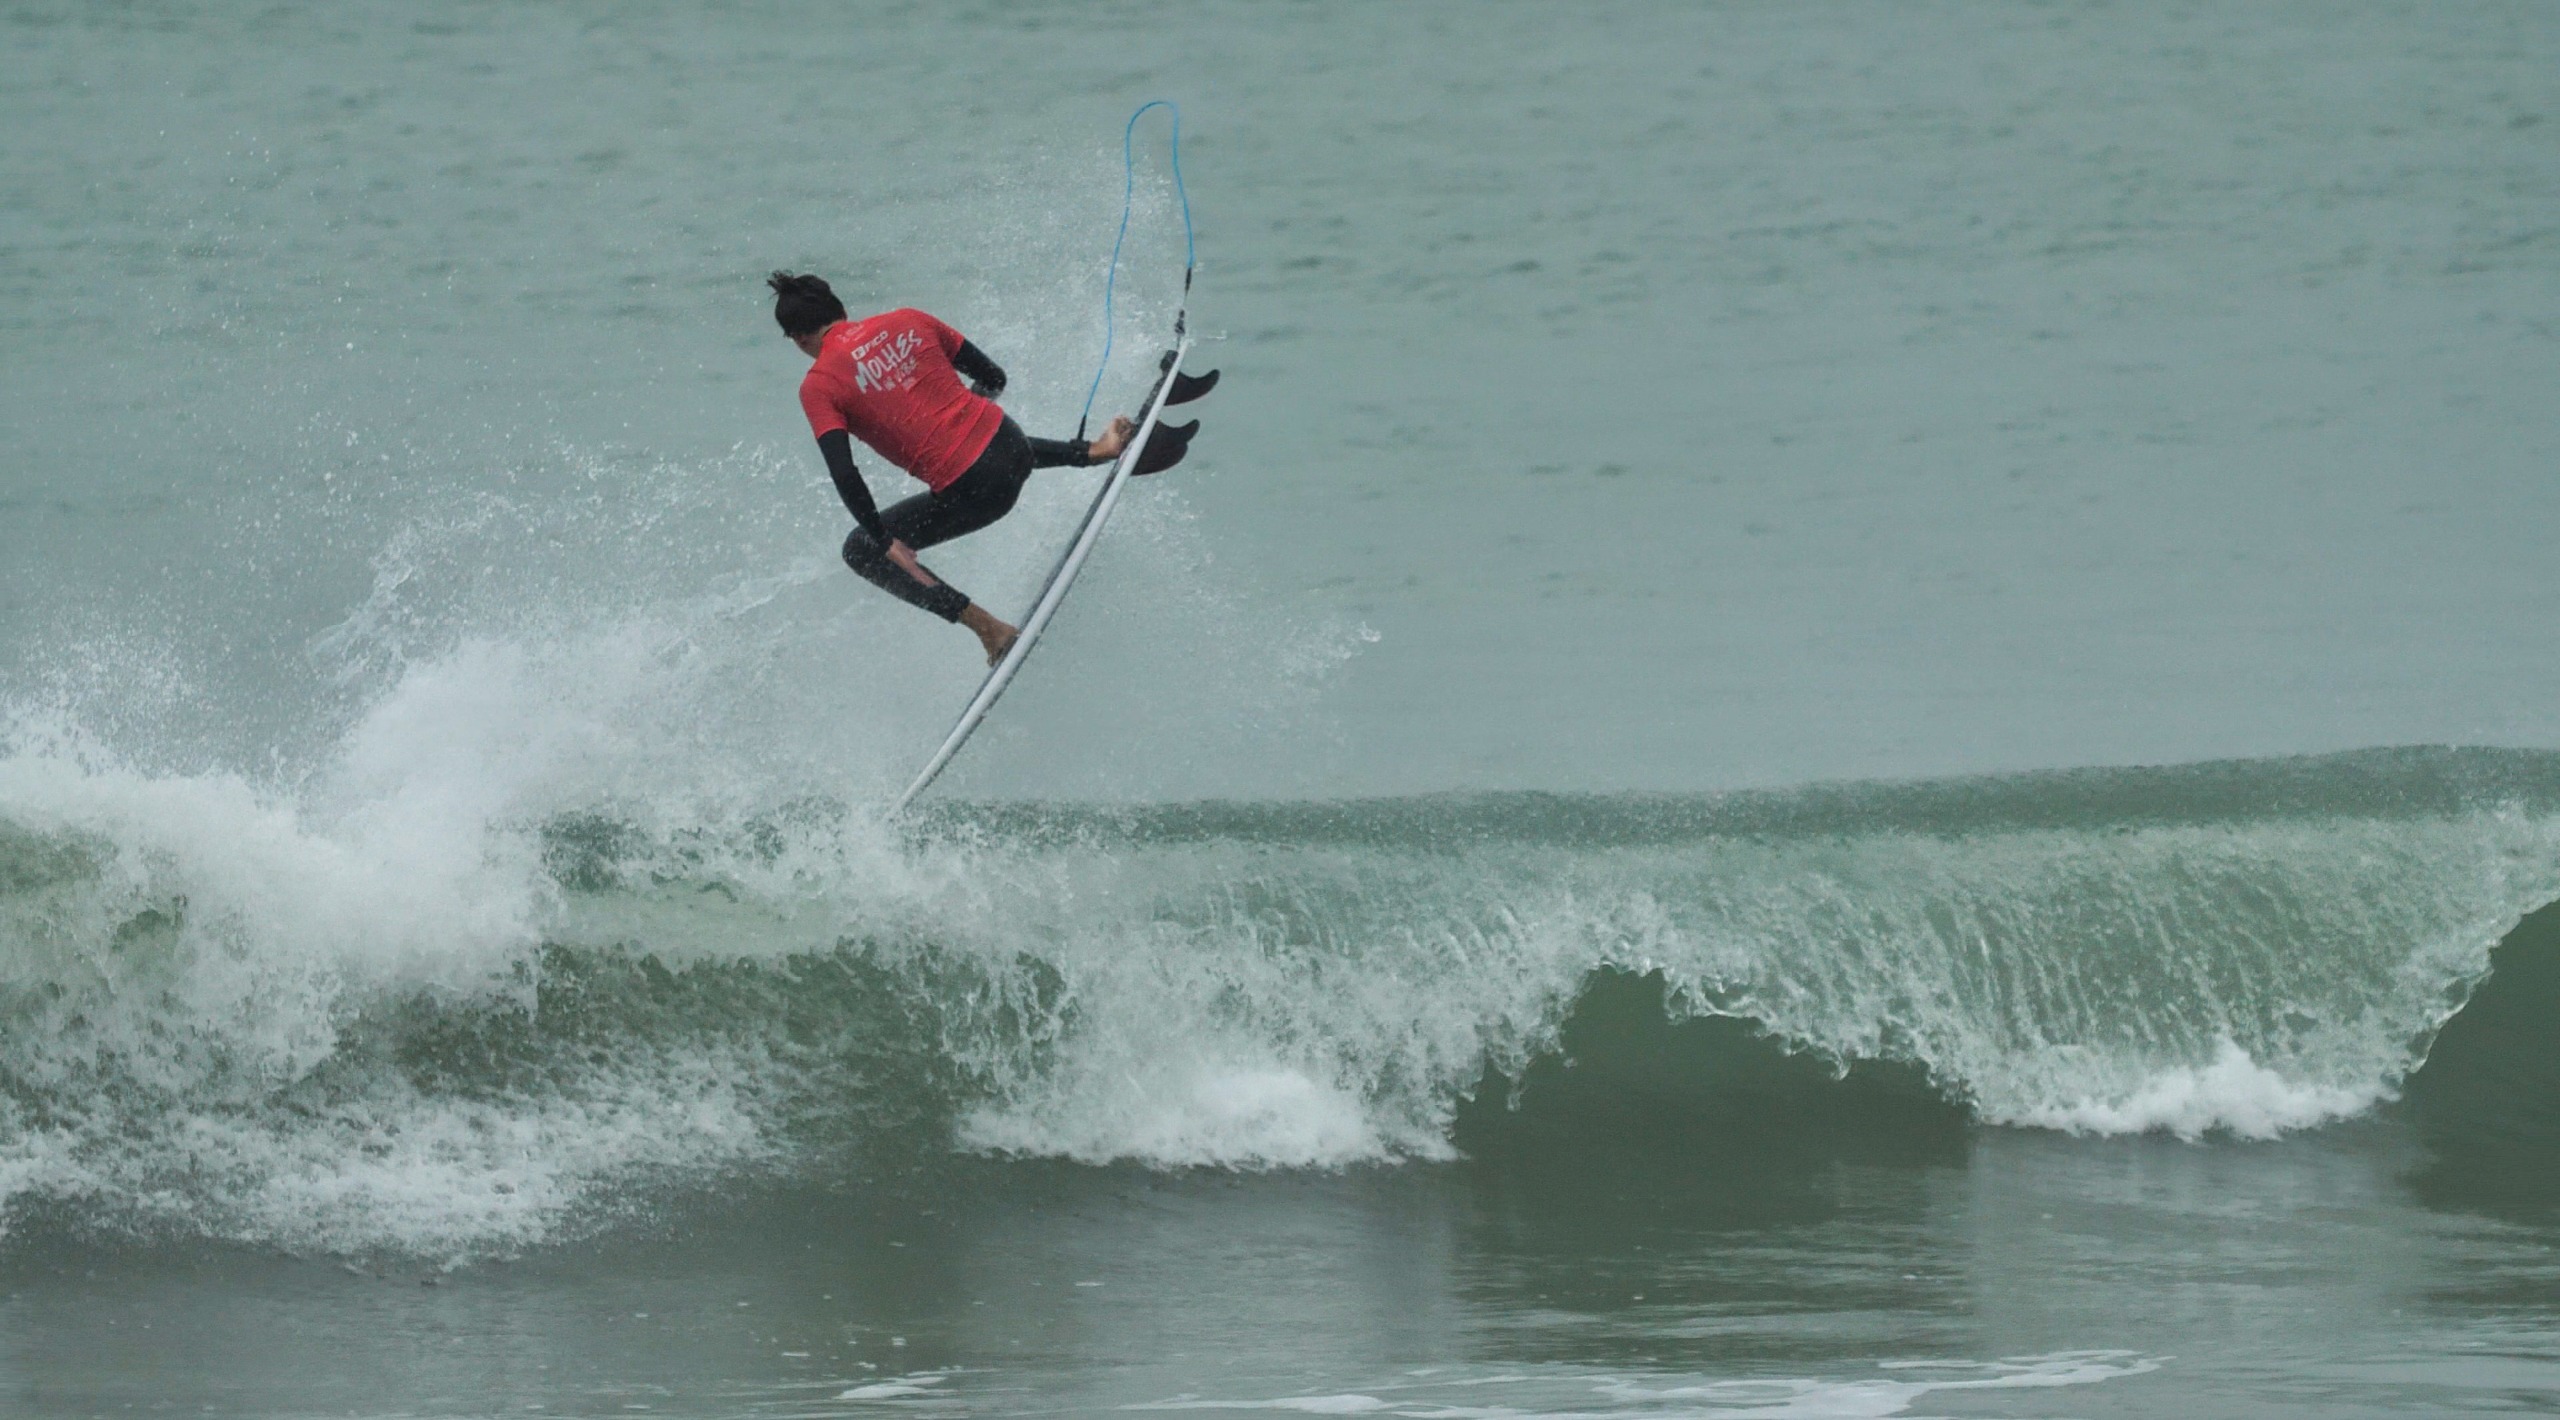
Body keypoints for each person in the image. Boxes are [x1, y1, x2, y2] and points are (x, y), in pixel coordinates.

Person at [770, 270, 1137, 665]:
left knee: (861, 551)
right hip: (1014, 446)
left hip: (980, 494)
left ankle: (990, 629)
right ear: (841, 309)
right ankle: (1095, 450)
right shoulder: (909, 318)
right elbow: (994, 377)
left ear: (799, 338)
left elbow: (845, 474)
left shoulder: (820, 385)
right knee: (980, 439)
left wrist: (883, 539)